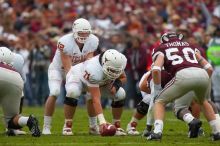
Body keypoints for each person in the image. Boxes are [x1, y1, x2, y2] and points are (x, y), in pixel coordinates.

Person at [147, 32, 220, 141]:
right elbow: (209, 68)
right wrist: (202, 82)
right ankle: (216, 132)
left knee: (159, 101)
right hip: (203, 74)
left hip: (183, 74)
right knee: (204, 101)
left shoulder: (161, 48)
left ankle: (157, 132)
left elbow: (156, 69)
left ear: (164, 39)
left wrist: (157, 88)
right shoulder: (190, 46)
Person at [42, 18, 99, 135]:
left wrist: (87, 80)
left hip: (78, 70)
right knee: (55, 92)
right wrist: (75, 83)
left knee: (90, 94)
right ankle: (46, 126)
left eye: (86, 33)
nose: (84, 35)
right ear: (74, 31)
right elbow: (68, 67)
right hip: (59, 69)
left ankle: (93, 126)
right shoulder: (64, 41)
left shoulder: (93, 41)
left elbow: (89, 62)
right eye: (81, 33)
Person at [65, 49, 127, 136]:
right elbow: (96, 99)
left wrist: (116, 85)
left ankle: (116, 126)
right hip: (77, 77)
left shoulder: (116, 63)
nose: (114, 73)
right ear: (104, 63)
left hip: (100, 81)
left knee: (120, 94)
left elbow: (123, 77)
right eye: (112, 70)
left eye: (116, 71)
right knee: (73, 92)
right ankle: (67, 125)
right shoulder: (93, 69)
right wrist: (102, 122)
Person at [0, 47, 41, 137]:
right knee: (11, 120)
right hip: (15, 79)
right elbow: (23, 81)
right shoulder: (17, 59)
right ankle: (28, 121)